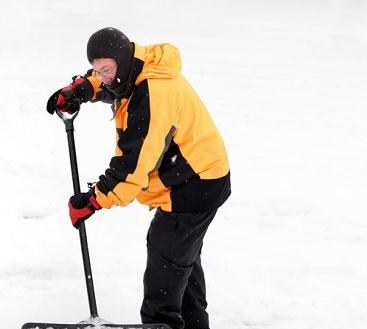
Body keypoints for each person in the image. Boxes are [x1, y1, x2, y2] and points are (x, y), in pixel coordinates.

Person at [46, 27, 231, 329]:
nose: (102, 76)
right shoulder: (140, 67)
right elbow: (116, 85)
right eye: (97, 70)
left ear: (122, 59)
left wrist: (92, 201)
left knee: (165, 266)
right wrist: (84, 89)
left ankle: (163, 323)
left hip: (195, 185)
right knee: (180, 261)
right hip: (196, 177)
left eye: (106, 70)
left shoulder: (154, 94)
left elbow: (132, 167)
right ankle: (194, 323)